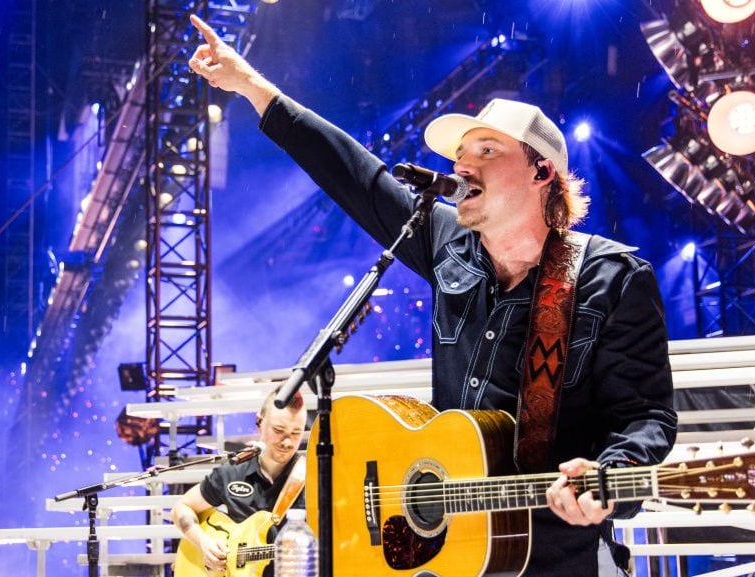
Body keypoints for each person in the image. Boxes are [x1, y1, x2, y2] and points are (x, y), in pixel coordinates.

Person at [186, 14, 677, 577]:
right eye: (460, 155)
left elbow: (646, 416)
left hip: (560, 556)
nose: (462, 165)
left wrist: (610, 476)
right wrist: (253, 87)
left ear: (543, 172)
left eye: (487, 150)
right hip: (455, 553)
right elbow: (355, 176)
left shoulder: (610, 276)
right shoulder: (448, 241)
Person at [171, 386, 309, 575]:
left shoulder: (314, 480)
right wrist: (204, 543)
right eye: (279, 430)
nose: (287, 442)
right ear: (259, 422)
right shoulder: (232, 473)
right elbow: (181, 508)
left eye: (296, 433)